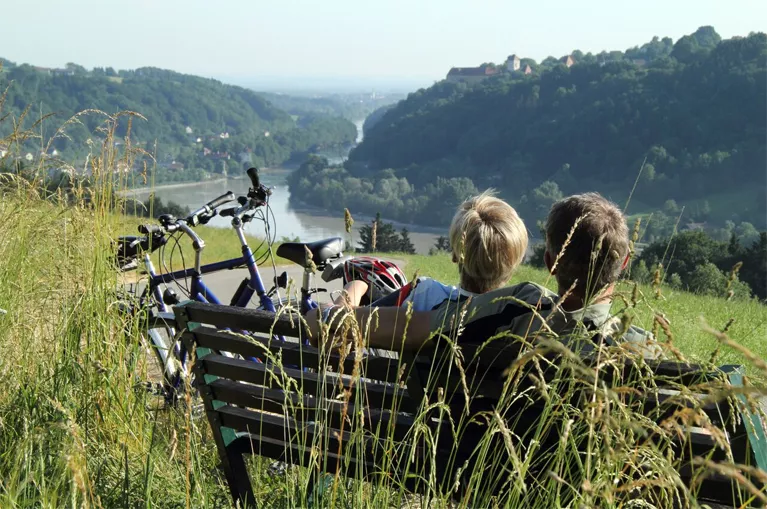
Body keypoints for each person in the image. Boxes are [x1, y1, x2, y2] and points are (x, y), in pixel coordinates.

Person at [307, 192, 657, 359]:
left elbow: (327, 325)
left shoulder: (509, 312)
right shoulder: (645, 351)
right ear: (624, 264)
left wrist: (355, 285)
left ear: (551, 261)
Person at [333, 190, 528, 312]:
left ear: (454, 254)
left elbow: (344, 324)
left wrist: (355, 285)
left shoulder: (423, 294)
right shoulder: (520, 317)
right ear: (514, 265)